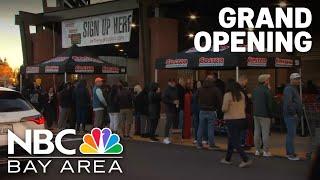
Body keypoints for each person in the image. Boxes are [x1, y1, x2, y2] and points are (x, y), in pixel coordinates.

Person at [220, 79, 252, 168]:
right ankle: (227, 158)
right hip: (241, 118)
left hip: (231, 120)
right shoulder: (241, 94)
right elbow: (245, 106)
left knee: (234, 141)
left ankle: (245, 159)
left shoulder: (227, 95)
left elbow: (224, 108)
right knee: (232, 139)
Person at [196, 75, 222, 149]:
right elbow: (220, 100)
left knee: (200, 127)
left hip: (202, 110)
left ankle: (199, 144)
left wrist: (200, 105)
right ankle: (211, 145)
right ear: (212, 80)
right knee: (210, 128)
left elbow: (195, 98)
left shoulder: (200, 89)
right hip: (211, 111)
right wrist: (218, 109)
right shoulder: (215, 89)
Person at [252, 74, 274, 157]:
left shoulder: (255, 90)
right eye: (268, 80)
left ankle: (257, 150)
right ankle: (265, 151)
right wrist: (271, 115)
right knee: (265, 133)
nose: (269, 81)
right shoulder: (267, 91)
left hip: (256, 113)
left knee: (256, 132)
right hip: (265, 114)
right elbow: (269, 105)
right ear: (265, 81)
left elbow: (253, 100)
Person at [283, 73, 303, 161]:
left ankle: (290, 152)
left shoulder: (293, 88)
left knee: (291, 135)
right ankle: (290, 154)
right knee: (291, 135)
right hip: (290, 115)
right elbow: (288, 103)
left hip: (293, 115)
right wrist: (294, 113)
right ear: (292, 80)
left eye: (299, 79)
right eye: (297, 79)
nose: (299, 80)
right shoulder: (288, 89)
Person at [238, 75, 254, 148]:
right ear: (242, 80)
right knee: (244, 129)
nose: (246, 83)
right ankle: (243, 143)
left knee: (243, 129)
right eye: (245, 82)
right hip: (243, 112)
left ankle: (243, 143)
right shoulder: (240, 90)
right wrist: (248, 97)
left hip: (242, 111)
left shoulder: (240, 89)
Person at [162, 79, 179, 144]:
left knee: (175, 123)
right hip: (169, 109)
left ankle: (175, 137)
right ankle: (166, 137)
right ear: (169, 83)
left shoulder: (175, 89)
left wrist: (177, 102)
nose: (174, 83)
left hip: (175, 108)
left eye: (174, 82)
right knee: (168, 123)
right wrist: (172, 102)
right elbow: (164, 99)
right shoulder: (166, 90)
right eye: (172, 82)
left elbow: (176, 97)